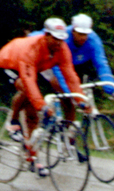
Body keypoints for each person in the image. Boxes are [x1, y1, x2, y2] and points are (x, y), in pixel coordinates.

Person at [0, 18, 85, 175]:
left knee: (33, 116)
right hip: (8, 62)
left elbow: (70, 75)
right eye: (55, 38)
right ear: (46, 35)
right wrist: (42, 105)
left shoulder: (62, 49)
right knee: (27, 90)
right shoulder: (32, 48)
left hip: (31, 68)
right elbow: (29, 81)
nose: (58, 43)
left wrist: (80, 99)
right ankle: (12, 120)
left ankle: (32, 157)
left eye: (61, 39)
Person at [34, 13, 114, 119]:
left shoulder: (93, 40)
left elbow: (101, 64)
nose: (83, 37)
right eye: (80, 34)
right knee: (61, 86)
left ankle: (69, 128)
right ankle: (55, 116)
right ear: (73, 31)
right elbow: (59, 71)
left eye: (86, 34)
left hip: (70, 64)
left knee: (75, 90)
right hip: (50, 61)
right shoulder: (63, 40)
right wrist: (73, 95)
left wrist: (111, 89)